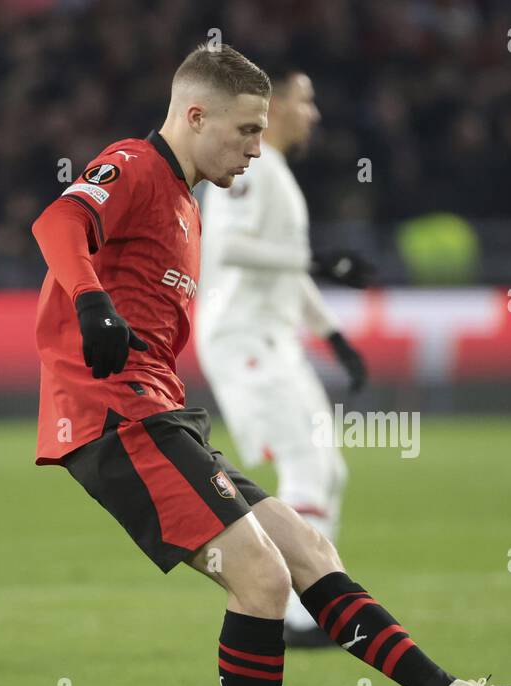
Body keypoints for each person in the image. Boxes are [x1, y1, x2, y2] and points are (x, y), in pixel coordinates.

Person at [30, 44, 511, 686]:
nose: (254, 148)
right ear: (195, 114)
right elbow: (62, 219)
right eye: (244, 131)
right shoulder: (135, 164)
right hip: (112, 414)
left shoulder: (185, 201)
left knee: (307, 551)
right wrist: (92, 301)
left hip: (159, 411)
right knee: (262, 581)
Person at [196, 65, 373, 649]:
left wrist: (333, 333)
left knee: (328, 469)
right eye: (306, 99)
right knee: (305, 464)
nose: (313, 113)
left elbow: (286, 266)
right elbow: (229, 244)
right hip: (242, 338)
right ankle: (302, 617)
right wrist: (318, 260)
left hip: (274, 339)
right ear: (271, 107)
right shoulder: (251, 171)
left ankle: (312, 609)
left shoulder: (274, 173)